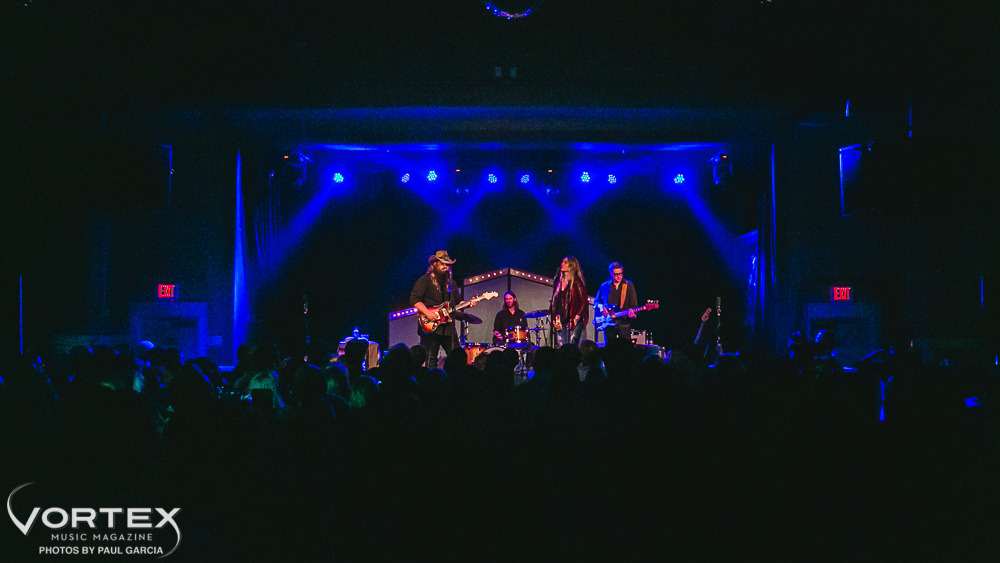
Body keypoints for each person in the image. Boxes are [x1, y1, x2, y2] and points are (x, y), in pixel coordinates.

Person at [410, 250, 476, 369]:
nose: (446, 267)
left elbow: (457, 303)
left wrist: (468, 304)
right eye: (443, 264)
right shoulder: (425, 280)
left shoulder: (451, 283)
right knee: (431, 359)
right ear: (435, 264)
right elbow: (414, 299)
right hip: (431, 326)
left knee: (456, 357)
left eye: (447, 264)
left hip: (448, 327)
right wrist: (427, 313)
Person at [594, 261, 638, 342]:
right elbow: (596, 302)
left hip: (624, 324)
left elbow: (634, 305)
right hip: (608, 323)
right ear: (610, 273)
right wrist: (601, 307)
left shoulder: (629, 285)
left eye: (620, 274)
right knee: (610, 349)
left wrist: (633, 314)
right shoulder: (604, 286)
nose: (618, 277)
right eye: (615, 274)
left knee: (625, 348)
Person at [551, 256, 588, 346]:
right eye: (562, 262)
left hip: (572, 320)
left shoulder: (576, 282)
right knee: (562, 347)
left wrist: (576, 319)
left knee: (571, 348)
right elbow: (555, 303)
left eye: (565, 262)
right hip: (560, 320)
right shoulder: (558, 282)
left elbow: (584, 302)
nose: (562, 264)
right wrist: (553, 317)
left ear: (572, 266)